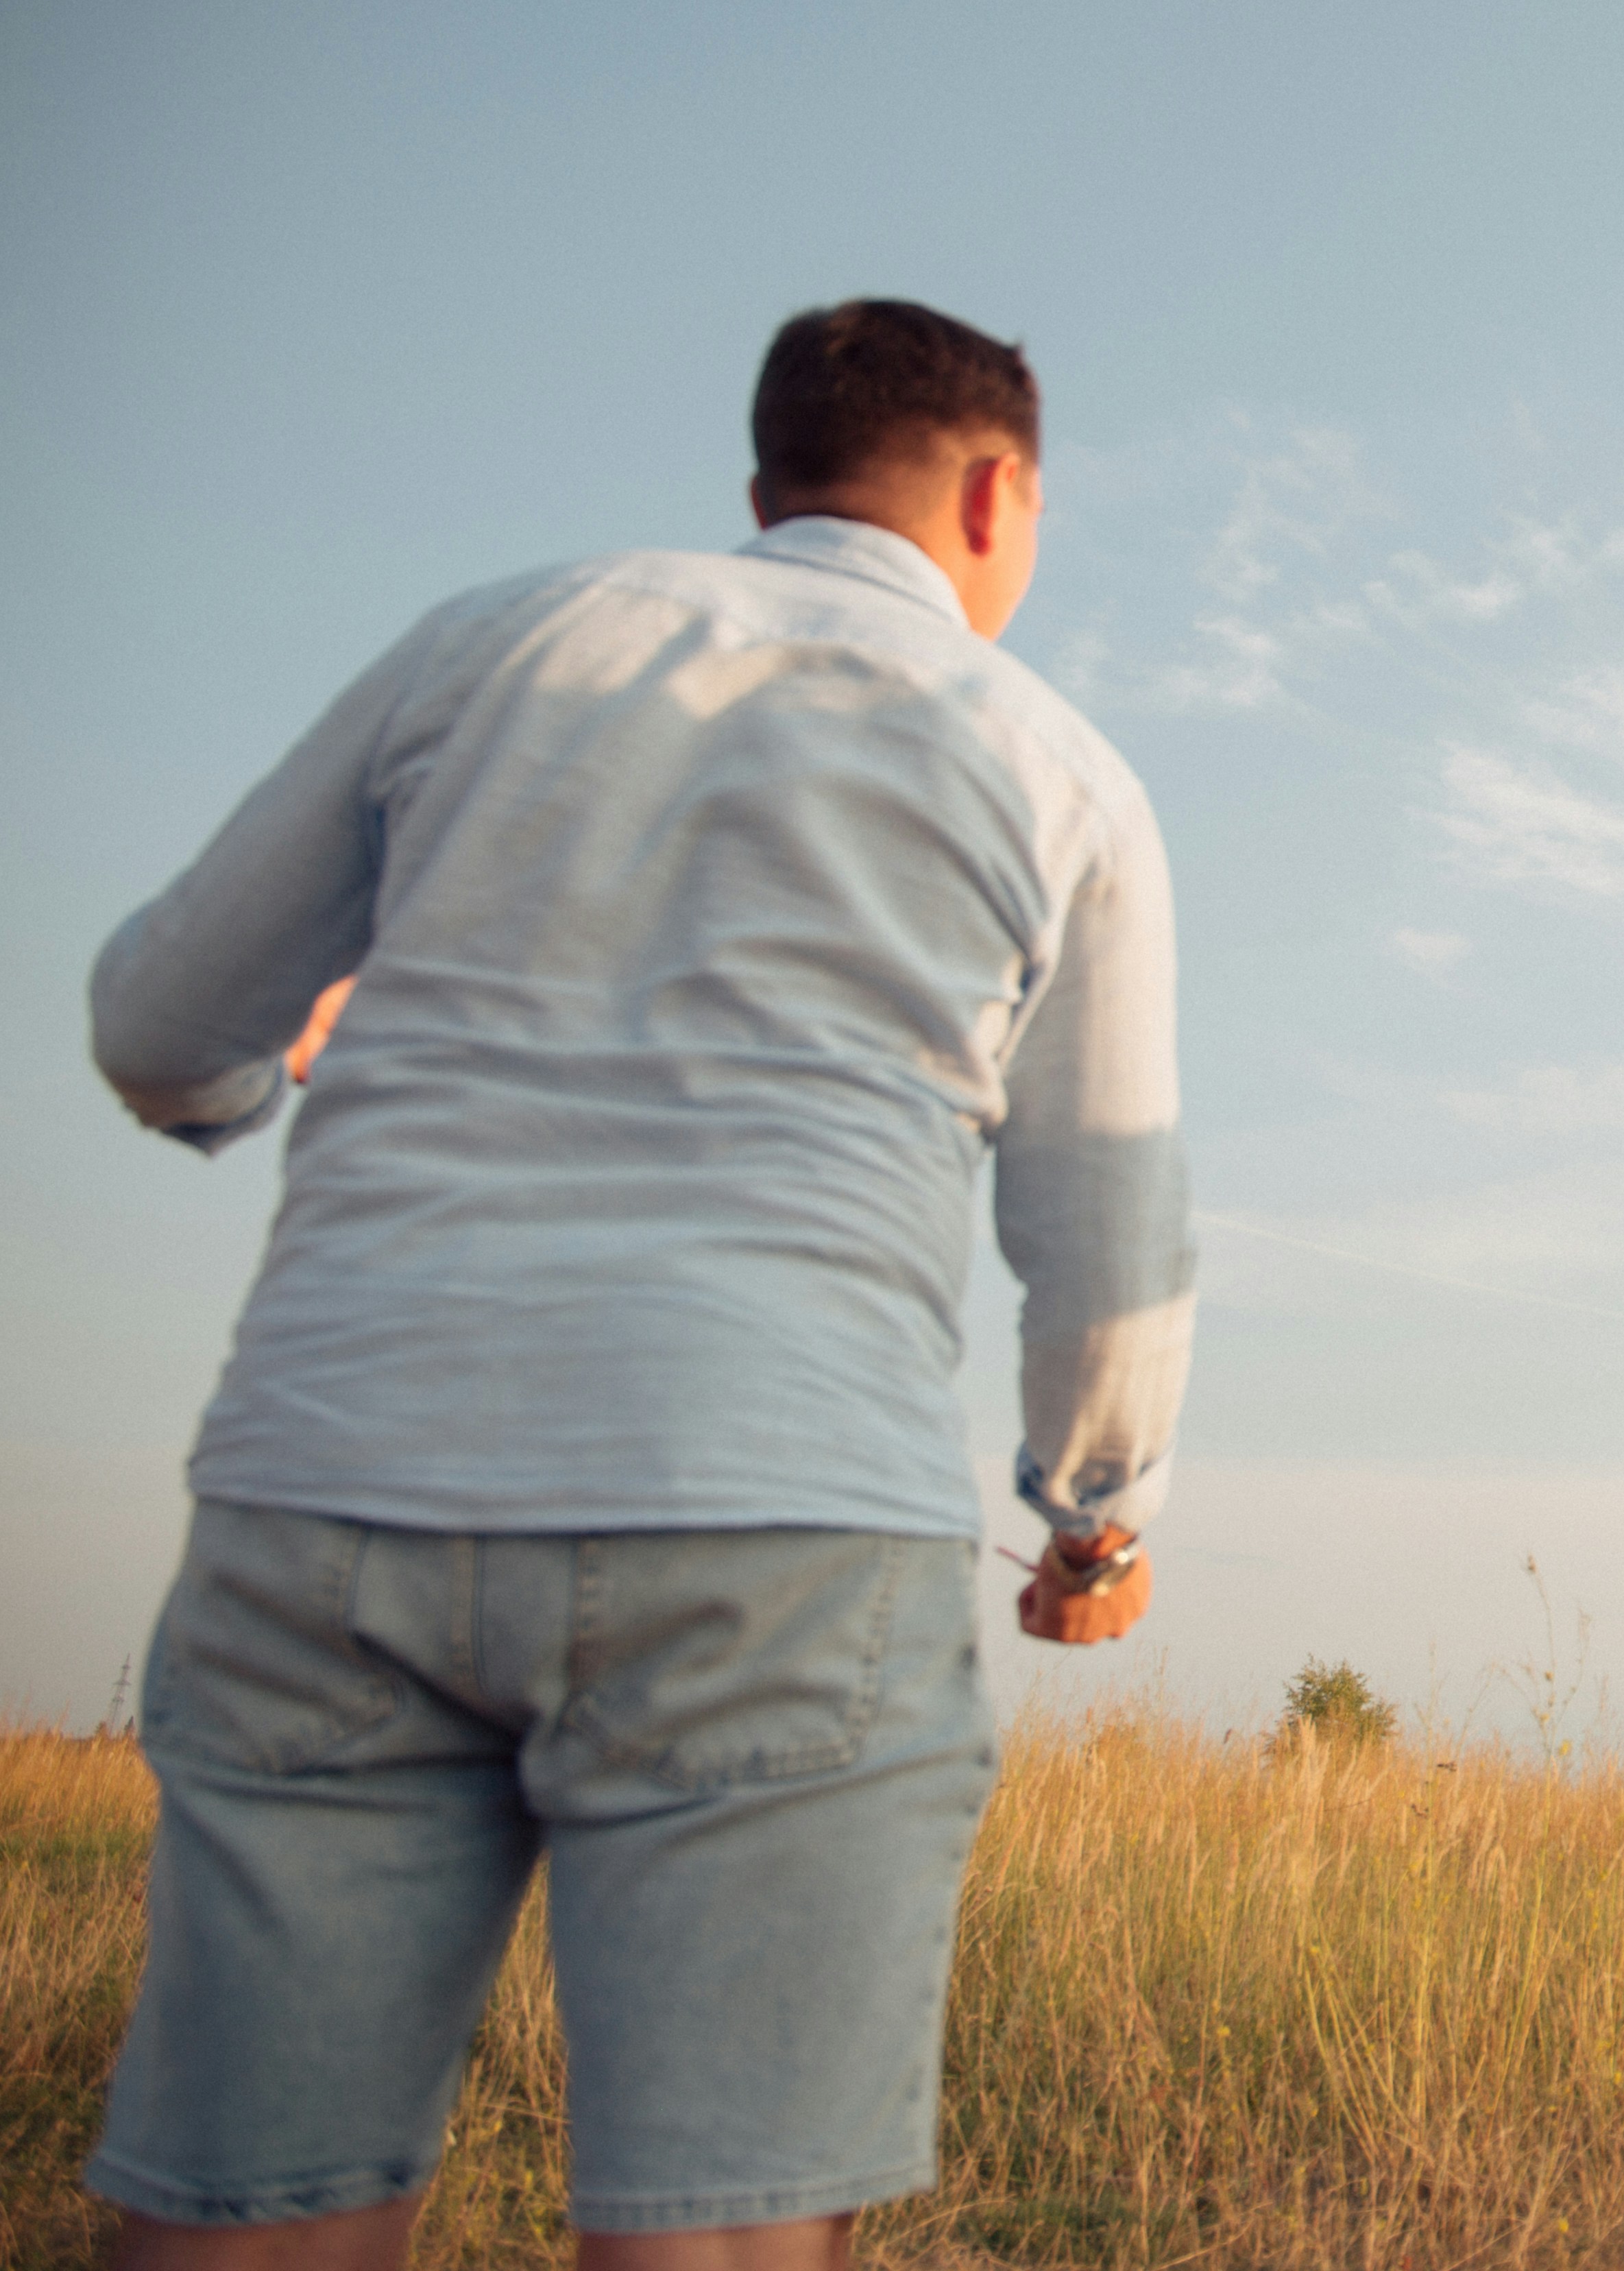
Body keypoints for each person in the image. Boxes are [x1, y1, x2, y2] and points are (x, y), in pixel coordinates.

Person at [82, 300, 1195, 2268]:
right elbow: (1102, 1239)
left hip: (337, 1468)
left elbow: (162, 1019)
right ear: (1001, 493)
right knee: (722, 2236)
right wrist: (1093, 1520)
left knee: (250, 2217)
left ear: (763, 486)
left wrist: (259, 1069)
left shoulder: (501, 634)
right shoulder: (1054, 764)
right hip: (773, 1514)